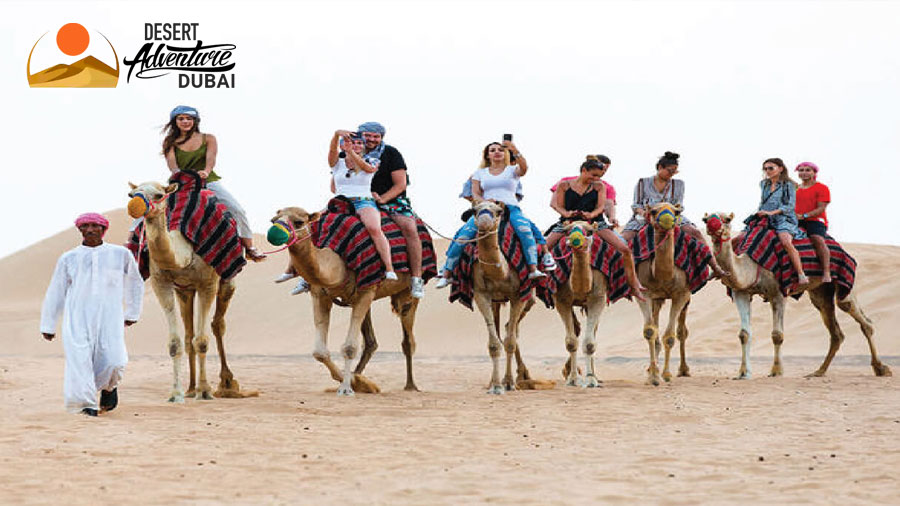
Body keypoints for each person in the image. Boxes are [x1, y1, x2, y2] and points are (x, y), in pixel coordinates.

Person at [40, 213, 144, 416]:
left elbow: (135, 282)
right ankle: (85, 405)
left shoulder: (120, 254)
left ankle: (109, 387)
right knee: (80, 362)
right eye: (85, 226)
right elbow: (56, 291)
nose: (90, 230)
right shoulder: (69, 258)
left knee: (115, 360)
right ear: (79, 229)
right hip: (77, 317)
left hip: (110, 316)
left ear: (103, 229)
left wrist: (132, 312)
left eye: (95, 226)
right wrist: (48, 325)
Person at [277, 130, 398, 290]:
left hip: (363, 202)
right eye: (352, 143)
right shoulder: (337, 163)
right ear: (342, 145)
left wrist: (350, 152)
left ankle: (389, 268)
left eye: (359, 143)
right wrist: (335, 136)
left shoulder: (372, 160)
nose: (356, 145)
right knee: (310, 226)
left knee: (374, 228)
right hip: (339, 202)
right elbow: (332, 151)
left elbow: (367, 169)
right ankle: (295, 272)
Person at [435, 140, 548, 288]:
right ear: (487, 155)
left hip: (510, 208)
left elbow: (524, 169)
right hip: (487, 208)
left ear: (505, 153)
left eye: (500, 149)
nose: (497, 152)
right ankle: (447, 273)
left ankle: (533, 269)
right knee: (464, 235)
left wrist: (515, 150)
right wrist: (484, 201)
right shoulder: (479, 173)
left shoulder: (512, 170)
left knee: (525, 231)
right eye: (492, 150)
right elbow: (475, 193)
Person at [163, 105, 266, 262]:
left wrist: (205, 171)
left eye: (189, 118)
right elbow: (173, 165)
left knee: (236, 209)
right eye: (181, 119)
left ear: (195, 120)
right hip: (181, 182)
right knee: (153, 205)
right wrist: (180, 176)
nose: (185, 122)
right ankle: (135, 244)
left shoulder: (208, 138)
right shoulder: (170, 142)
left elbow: (211, 159)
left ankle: (249, 246)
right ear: (175, 121)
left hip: (207, 180)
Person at [546, 158, 646, 299]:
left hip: (595, 224)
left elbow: (600, 207)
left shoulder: (599, 186)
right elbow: (557, 205)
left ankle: (634, 285)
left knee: (625, 249)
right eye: (593, 175)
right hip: (568, 223)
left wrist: (590, 215)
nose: (596, 179)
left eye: (599, 176)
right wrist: (567, 214)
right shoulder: (564, 185)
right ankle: (539, 284)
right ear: (584, 170)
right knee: (542, 248)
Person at [622, 151, 728, 278]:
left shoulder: (678, 184)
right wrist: (644, 213)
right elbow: (636, 205)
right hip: (646, 217)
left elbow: (679, 206)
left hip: (672, 217)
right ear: (660, 167)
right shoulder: (642, 182)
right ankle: (619, 275)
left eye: (674, 172)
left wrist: (670, 212)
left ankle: (715, 267)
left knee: (696, 233)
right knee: (623, 239)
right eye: (669, 171)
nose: (671, 174)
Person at [360, 121, 426, 298]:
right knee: (321, 222)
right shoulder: (352, 152)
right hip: (358, 198)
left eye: (376, 136)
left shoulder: (391, 153)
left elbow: (400, 184)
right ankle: (308, 276)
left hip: (390, 199)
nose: (371, 139)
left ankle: (416, 278)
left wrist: (382, 199)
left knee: (410, 228)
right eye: (367, 135)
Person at [739, 158, 808, 285]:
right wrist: (760, 213)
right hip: (765, 217)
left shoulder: (789, 185)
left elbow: (789, 206)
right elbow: (763, 202)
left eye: (771, 168)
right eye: (765, 169)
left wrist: (771, 213)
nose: (767, 171)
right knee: (739, 238)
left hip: (783, 218)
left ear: (780, 169)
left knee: (785, 241)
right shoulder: (763, 184)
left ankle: (800, 274)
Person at [795, 161, 832, 282]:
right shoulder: (795, 188)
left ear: (814, 172)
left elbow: (821, 208)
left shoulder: (822, 188)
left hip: (815, 220)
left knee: (817, 239)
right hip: (795, 220)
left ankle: (826, 272)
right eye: (801, 170)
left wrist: (805, 215)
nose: (804, 173)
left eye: (807, 170)